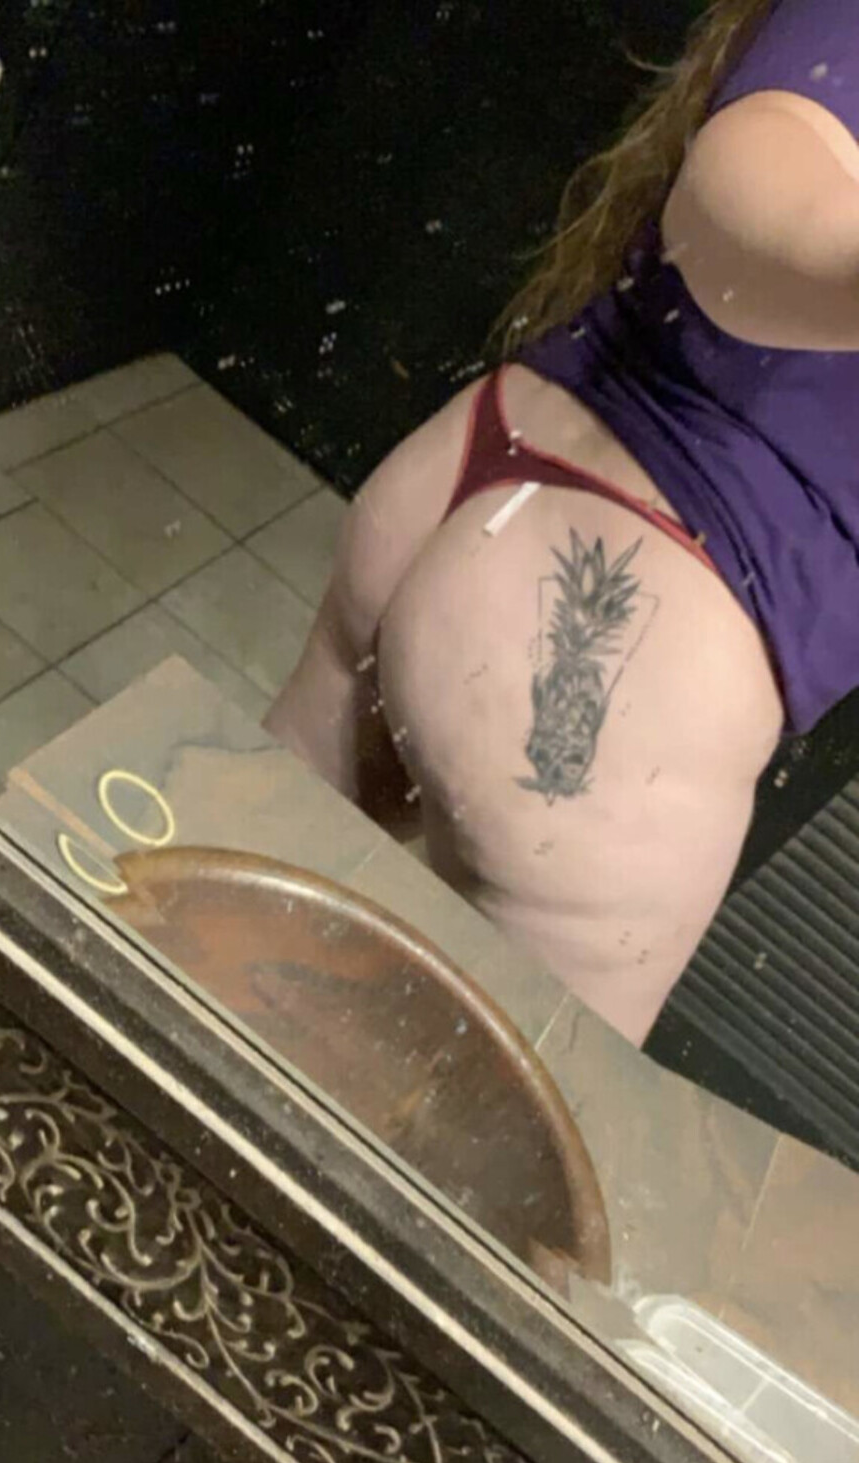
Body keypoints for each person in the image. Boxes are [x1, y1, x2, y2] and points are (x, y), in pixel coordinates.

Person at [264, 0, 859, 1045]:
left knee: (190, 940)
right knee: (446, 1146)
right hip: (639, 662)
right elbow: (741, 207)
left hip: (490, 481)